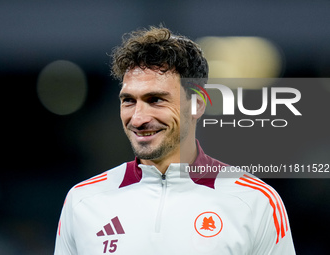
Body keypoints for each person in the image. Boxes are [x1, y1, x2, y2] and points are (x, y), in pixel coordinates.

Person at [54, 26, 295, 254]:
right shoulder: (83, 200)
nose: (138, 118)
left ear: (198, 104)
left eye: (156, 99)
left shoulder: (256, 202)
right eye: (128, 100)